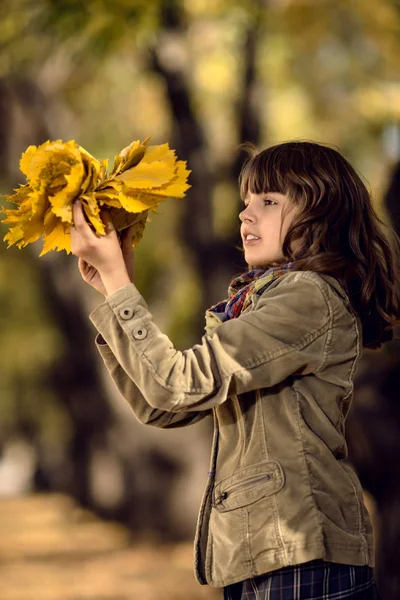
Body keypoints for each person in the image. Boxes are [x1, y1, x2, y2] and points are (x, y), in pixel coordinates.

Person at [70, 141, 400, 599]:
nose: (246, 215)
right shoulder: (263, 303)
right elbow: (163, 407)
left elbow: (177, 387)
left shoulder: (307, 296)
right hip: (267, 550)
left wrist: (122, 289)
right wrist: (113, 289)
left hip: (299, 550)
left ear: (322, 216)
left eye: (269, 202)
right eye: (246, 203)